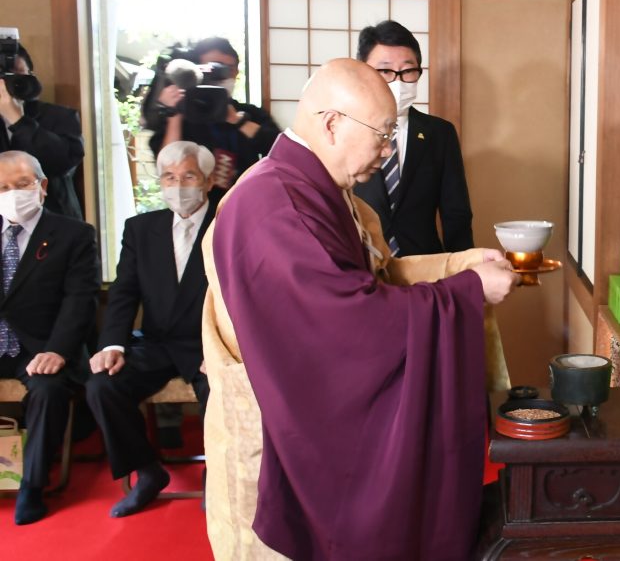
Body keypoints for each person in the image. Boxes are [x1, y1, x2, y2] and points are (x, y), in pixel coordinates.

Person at [203, 58, 518, 560]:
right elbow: (350, 325)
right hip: (280, 434)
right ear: (331, 124)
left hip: (301, 418)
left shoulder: (325, 191)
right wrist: (466, 292)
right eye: (383, 133)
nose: (388, 150)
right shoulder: (272, 204)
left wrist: (462, 266)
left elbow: (377, 278)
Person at [85, 141, 215, 517]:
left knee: (225, 389)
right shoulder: (141, 228)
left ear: (207, 181)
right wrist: (112, 343)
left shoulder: (228, 223)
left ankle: (216, 474)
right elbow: (124, 292)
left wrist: (226, 349)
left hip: (208, 345)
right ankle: (147, 471)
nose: (178, 185)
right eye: (169, 177)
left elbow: (246, 293)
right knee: (101, 385)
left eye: (188, 175)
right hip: (157, 343)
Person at [0, 151, 99, 525]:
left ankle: (32, 484)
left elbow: (80, 300)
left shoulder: (73, 234)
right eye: (3, 188)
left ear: (41, 187)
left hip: (42, 345)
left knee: (47, 389)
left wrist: (58, 350)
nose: (12, 193)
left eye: (21, 185)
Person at [353, 21, 474, 256]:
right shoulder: (347, 130)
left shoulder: (440, 133)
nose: (398, 81)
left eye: (408, 71)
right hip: (360, 265)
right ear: (363, 72)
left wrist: (465, 272)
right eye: (385, 71)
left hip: (426, 267)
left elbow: (456, 213)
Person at [149, 37, 280, 208]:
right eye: (213, 67)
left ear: (237, 73)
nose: (221, 75)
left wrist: (236, 120)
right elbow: (166, 164)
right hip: (193, 212)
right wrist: (175, 112)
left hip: (244, 208)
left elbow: (280, 149)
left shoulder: (250, 113)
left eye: (229, 69)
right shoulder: (180, 115)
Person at [0, 45, 85, 219]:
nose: (9, 84)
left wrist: (19, 121)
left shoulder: (60, 116)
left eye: (18, 76)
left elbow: (61, 163)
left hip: (53, 223)